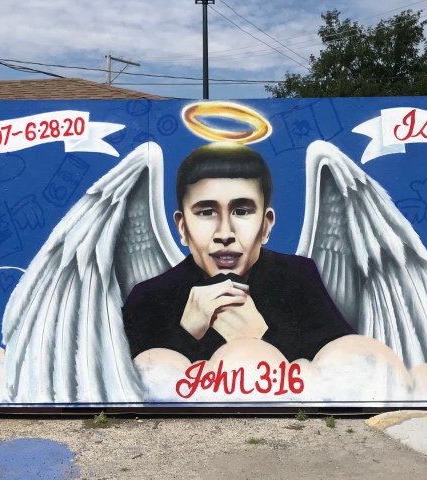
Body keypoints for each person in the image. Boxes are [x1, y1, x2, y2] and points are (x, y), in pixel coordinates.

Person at [122, 142, 354, 362]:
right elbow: (132, 388)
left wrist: (260, 337)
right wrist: (187, 333)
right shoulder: (148, 299)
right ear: (182, 228)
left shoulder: (299, 279)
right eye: (206, 212)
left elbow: (346, 372)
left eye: (241, 211)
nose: (225, 233)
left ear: (266, 225)